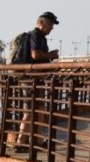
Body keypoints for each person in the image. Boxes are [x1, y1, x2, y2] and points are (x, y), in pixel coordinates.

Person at [14, 12, 60, 150]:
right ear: (41, 23)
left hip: (34, 78)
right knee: (29, 109)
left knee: (39, 109)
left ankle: (38, 141)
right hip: (30, 78)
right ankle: (20, 142)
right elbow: (35, 55)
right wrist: (51, 55)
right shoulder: (36, 35)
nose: (51, 28)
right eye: (50, 24)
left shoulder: (39, 36)